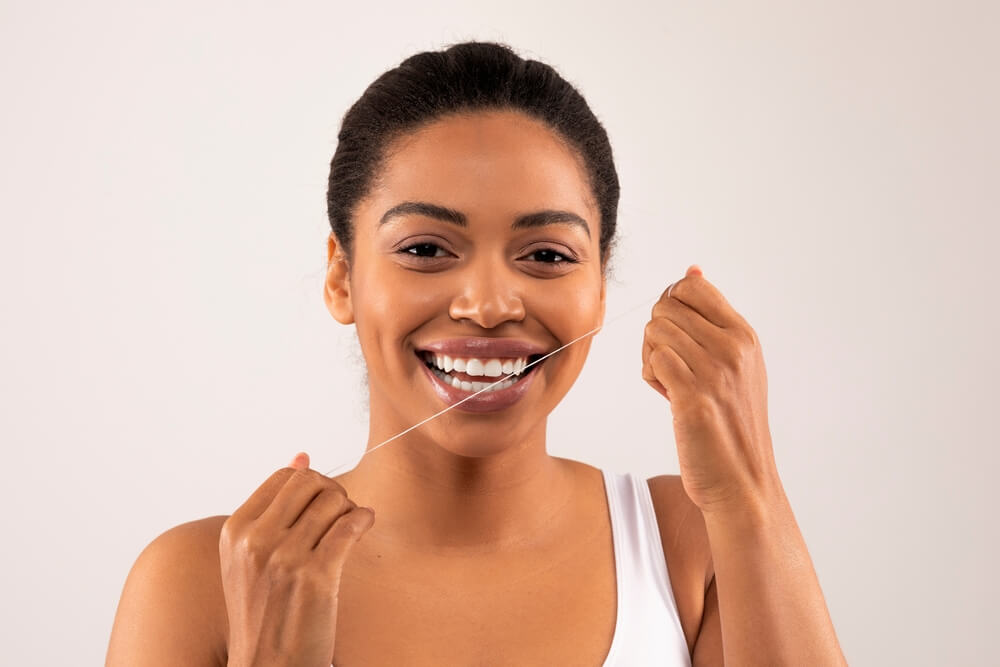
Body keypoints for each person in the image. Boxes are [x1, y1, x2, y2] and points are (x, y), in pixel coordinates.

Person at [106, 41, 847, 666]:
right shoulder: (198, 582)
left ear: (600, 282)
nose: (490, 304)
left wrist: (750, 491)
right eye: (426, 248)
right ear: (342, 278)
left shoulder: (690, 541)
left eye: (547, 254)